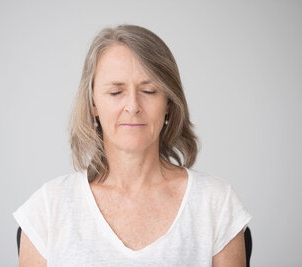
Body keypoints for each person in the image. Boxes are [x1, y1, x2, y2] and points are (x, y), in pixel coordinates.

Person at [13, 24, 252, 267]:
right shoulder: (47, 208)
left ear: (168, 102)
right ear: (93, 104)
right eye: (116, 92)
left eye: (149, 91)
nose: (133, 106)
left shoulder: (216, 203)